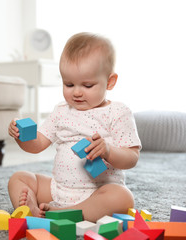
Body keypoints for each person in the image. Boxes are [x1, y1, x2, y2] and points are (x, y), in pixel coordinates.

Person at [7, 32, 141, 222]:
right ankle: (32, 210)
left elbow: (132, 157)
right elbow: (37, 144)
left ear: (110, 82)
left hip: (99, 192)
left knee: (123, 198)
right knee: (18, 178)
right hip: (58, 190)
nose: (77, 92)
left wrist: (108, 151)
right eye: (69, 84)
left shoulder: (118, 112)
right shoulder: (61, 111)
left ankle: (64, 214)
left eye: (87, 85)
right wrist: (20, 136)